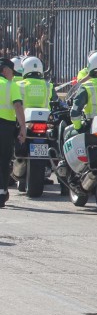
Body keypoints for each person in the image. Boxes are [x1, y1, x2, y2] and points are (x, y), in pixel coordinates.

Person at [0, 58, 28, 208]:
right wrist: (23, 127)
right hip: (4, 127)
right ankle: (1, 192)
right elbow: (17, 106)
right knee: (4, 160)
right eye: (12, 72)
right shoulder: (11, 86)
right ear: (5, 70)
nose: (13, 75)